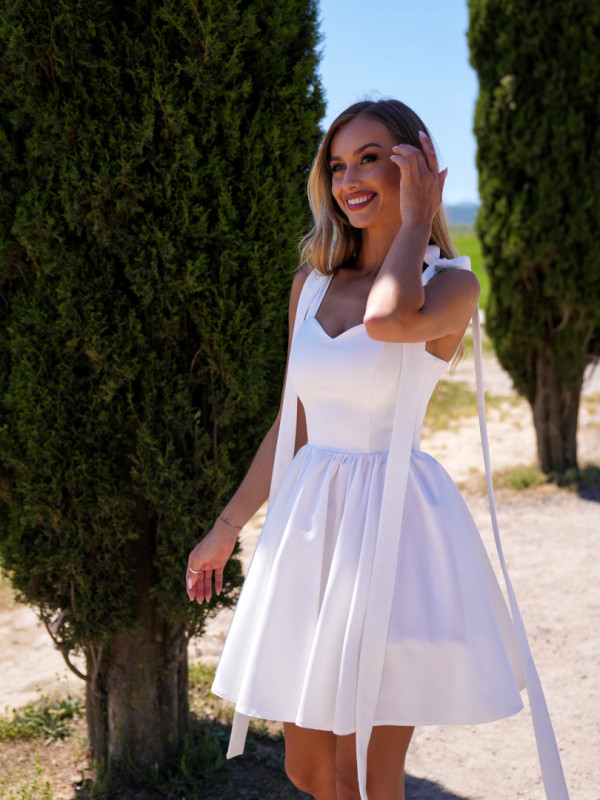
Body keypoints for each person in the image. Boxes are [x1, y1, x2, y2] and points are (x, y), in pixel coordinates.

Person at [186, 99, 568, 800]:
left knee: (359, 774)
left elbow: (390, 322)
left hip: (392, 537)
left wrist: (419, 218)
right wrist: (225, 529)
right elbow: (291, 426)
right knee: (307, 770)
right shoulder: (311, 286)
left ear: (414, 166)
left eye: (371, 158)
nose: (349, 179)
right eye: (337, 164)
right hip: (310, 537)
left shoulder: (450, 285)